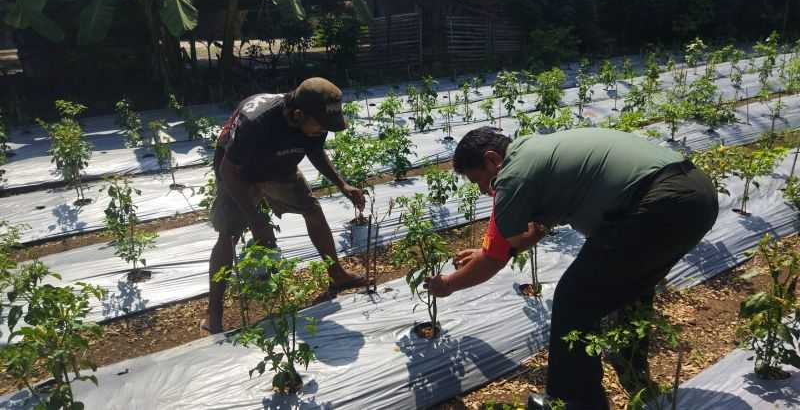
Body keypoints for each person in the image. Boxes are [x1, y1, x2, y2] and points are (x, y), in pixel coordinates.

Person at [425, 127, 718, 409]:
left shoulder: (513, 175)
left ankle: (575, 403)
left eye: (481, 181)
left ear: (492, 159)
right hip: (697, 194)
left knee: (573, 300)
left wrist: (448, 284)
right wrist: (489, 249)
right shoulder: (536, 151)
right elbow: (533, 232)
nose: (484, 189)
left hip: (661, 201)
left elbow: (493, 260)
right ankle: (634, 375)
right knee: (631, 288)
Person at [203, 78, 366, 334]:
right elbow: (228, 171)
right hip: (238, 172)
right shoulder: (256, 122)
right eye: (319, 126)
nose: (322, 131)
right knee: (229, 235)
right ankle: (214, 313)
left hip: (280, 164)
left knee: (313, 210)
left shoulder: (314, 119)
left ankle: (337, 274)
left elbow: (315, 151)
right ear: (298, 114)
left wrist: (342, 184)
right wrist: (256, 219)